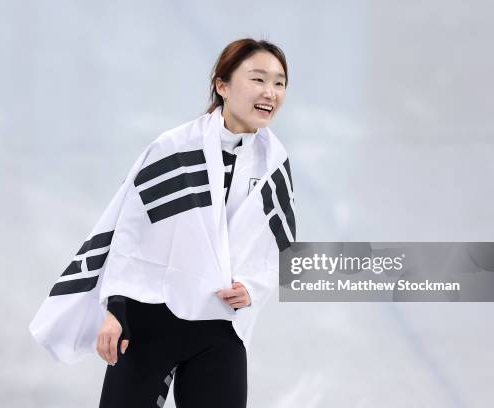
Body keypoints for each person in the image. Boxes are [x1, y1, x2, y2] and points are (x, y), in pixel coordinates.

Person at [29, 38, 295, 408]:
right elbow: (129, 232)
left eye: (279, 83)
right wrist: (116, 309)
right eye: (258, 79)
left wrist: (253, 286)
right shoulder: (174, 149)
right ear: (222, 85)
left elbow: (275, 248)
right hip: (150, 323)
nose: (270, 92)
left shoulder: (274, 164)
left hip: (219, 329)